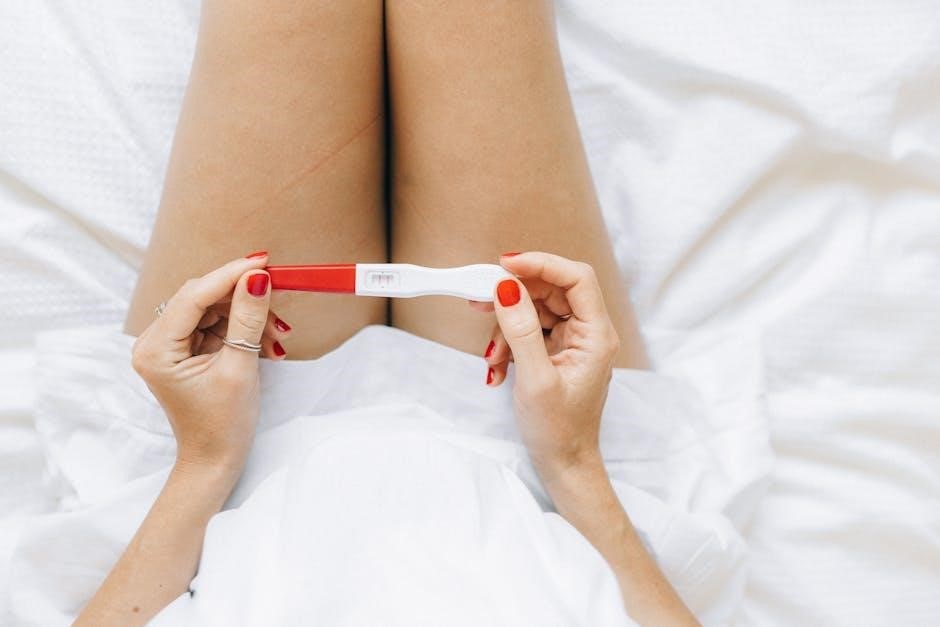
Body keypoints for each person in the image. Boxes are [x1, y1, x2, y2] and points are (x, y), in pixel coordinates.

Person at [77, 1, 697, 624]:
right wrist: (573, 461)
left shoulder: (206, 453)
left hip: (207, 465)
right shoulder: (567, 455)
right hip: (557, 464)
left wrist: (204, 460)